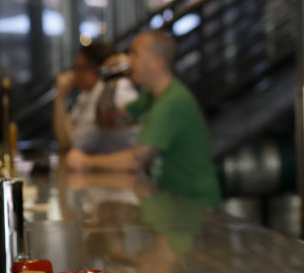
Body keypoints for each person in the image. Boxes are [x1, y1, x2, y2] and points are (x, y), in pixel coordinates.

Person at [64, 30, 223, 209]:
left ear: (155, 63)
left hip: (195, 209)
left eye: (135, 54)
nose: (128, 60)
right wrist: (109, 81)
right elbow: (106, 122)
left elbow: (135, 161)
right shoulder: (152, 97)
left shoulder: (172, 102)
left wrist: (85, 162)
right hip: (174, 204)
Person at [53, 41, 138, 154]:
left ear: (94, 71)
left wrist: (60, 98)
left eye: (78, 67)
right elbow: (65, 140)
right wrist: (60, 99)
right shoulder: (87, 94)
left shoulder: (113, 92)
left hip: (121, 170)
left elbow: (72, 145)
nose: (74, 72)